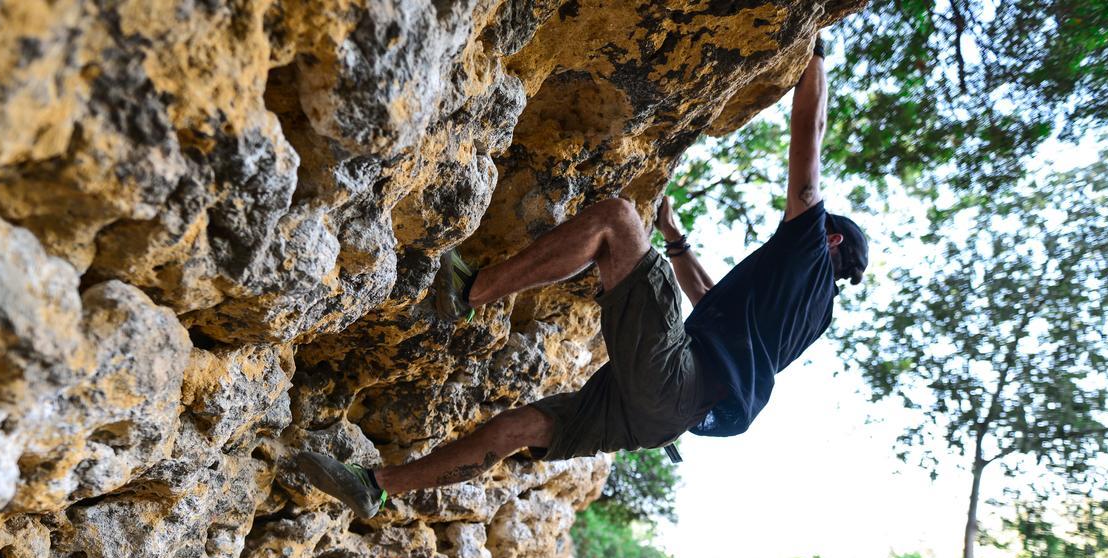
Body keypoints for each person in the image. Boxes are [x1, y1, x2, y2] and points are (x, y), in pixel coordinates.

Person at [298, 36, 869, 519]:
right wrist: (674, 240)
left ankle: (472, 291)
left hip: (674, 381)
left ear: (832, 239)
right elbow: (713, 300)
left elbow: (808, 138)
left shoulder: (810, 247)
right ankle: (376, 487)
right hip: (662, 417)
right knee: (521, 426)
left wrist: (815, 49)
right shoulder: (812, 313)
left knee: (617, 221)